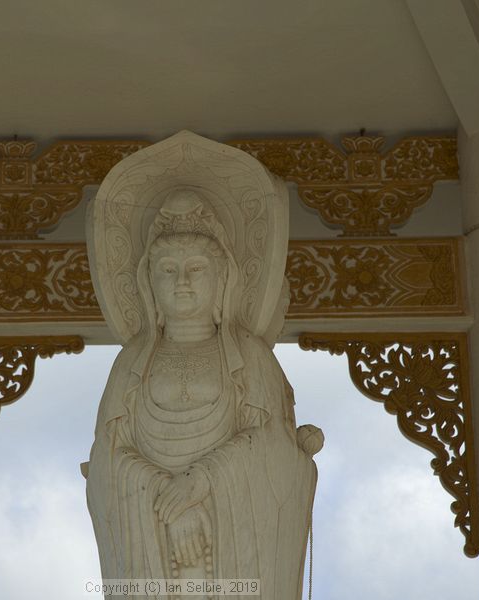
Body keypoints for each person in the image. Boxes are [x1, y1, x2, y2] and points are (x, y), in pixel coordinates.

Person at [86, 189, 321, 599]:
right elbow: (108, 456)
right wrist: (168, 503)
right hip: (152, 537)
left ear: (222, 278)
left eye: (196, 268)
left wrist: (200, 482)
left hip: (235, 536)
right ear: (149, 283)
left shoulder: (249, 355)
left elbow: (272, 444)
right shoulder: (131, 362)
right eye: (168, 270)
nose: (182, 282)